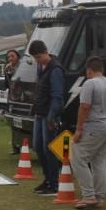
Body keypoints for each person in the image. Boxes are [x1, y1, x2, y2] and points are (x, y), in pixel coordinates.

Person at [70, 56, 106, 210]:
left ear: (88, 71)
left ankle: (89, 195)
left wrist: (78, 129)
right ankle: (99, 196)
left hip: (94, 126)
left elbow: (84, 106)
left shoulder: (90, 84)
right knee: (100, 162)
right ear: (102, 69)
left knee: (77, 157)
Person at [28, 40, 65, 197]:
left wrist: (52, 115)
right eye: (35, 58)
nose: (37, 60)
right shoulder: (41, 67)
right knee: (38, 146)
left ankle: (54, 183)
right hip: (39, 113)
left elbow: (57, 95)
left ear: (46, 52)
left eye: (39, 57)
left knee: (48, 148)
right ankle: (47, 179)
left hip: (49, 115)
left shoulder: (55, 69)